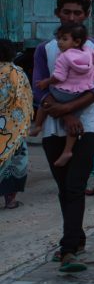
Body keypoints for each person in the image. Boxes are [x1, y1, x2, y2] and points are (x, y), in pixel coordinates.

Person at [32, 0, 94, 273]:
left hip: (86, 126)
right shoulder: (46, 50)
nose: (72, 18)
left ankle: (67, 250)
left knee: (76, 185)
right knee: (65, 188)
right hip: (54, 128)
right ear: (58, 14)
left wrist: (70, 111)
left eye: (78, 13)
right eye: (67, 13)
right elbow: (38, 88)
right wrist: (64, 117)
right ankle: (76, 239)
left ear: (86, 16)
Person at [30, 24, 94, 166]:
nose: (59, 42)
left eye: (64, 39)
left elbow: (58, 77)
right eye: (59, 38)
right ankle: (67, 151)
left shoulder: (64, 57)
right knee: (73, 125)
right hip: (81, 94)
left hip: (63, 93)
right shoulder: (90, 52)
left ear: (76, 42)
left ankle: (38, 125)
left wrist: (45, 82)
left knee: (45, 101)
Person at [0, 39, 33, 210]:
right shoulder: (17, 72)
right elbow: (25, 98)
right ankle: (10, 201)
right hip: (13, 128)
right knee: (16, 161)